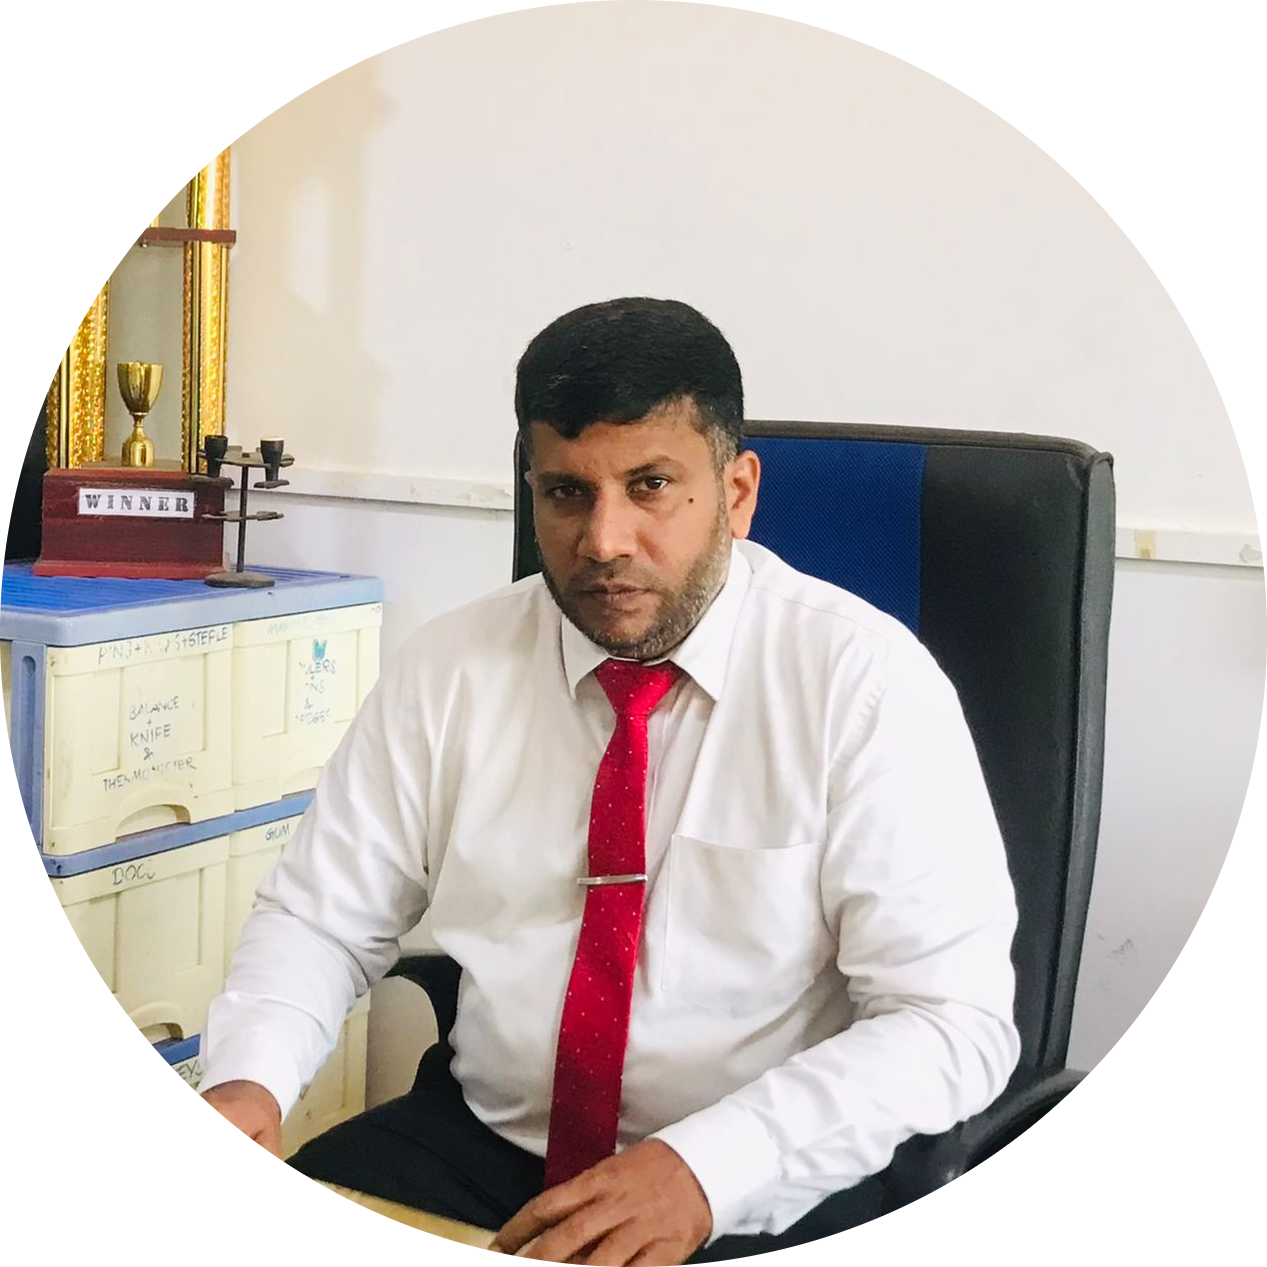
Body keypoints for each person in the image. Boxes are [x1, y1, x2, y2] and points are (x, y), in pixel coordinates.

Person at [199, 297, 1020, 1263]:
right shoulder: (452, 667)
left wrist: (706, 1168)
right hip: (488, 1144)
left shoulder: (864, 684)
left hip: (758, 1172)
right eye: (566, 492)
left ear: (737, 492)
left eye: (650, 485)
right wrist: (248, 1080)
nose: (603, 540)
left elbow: (948, 1021)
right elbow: (319, 916)